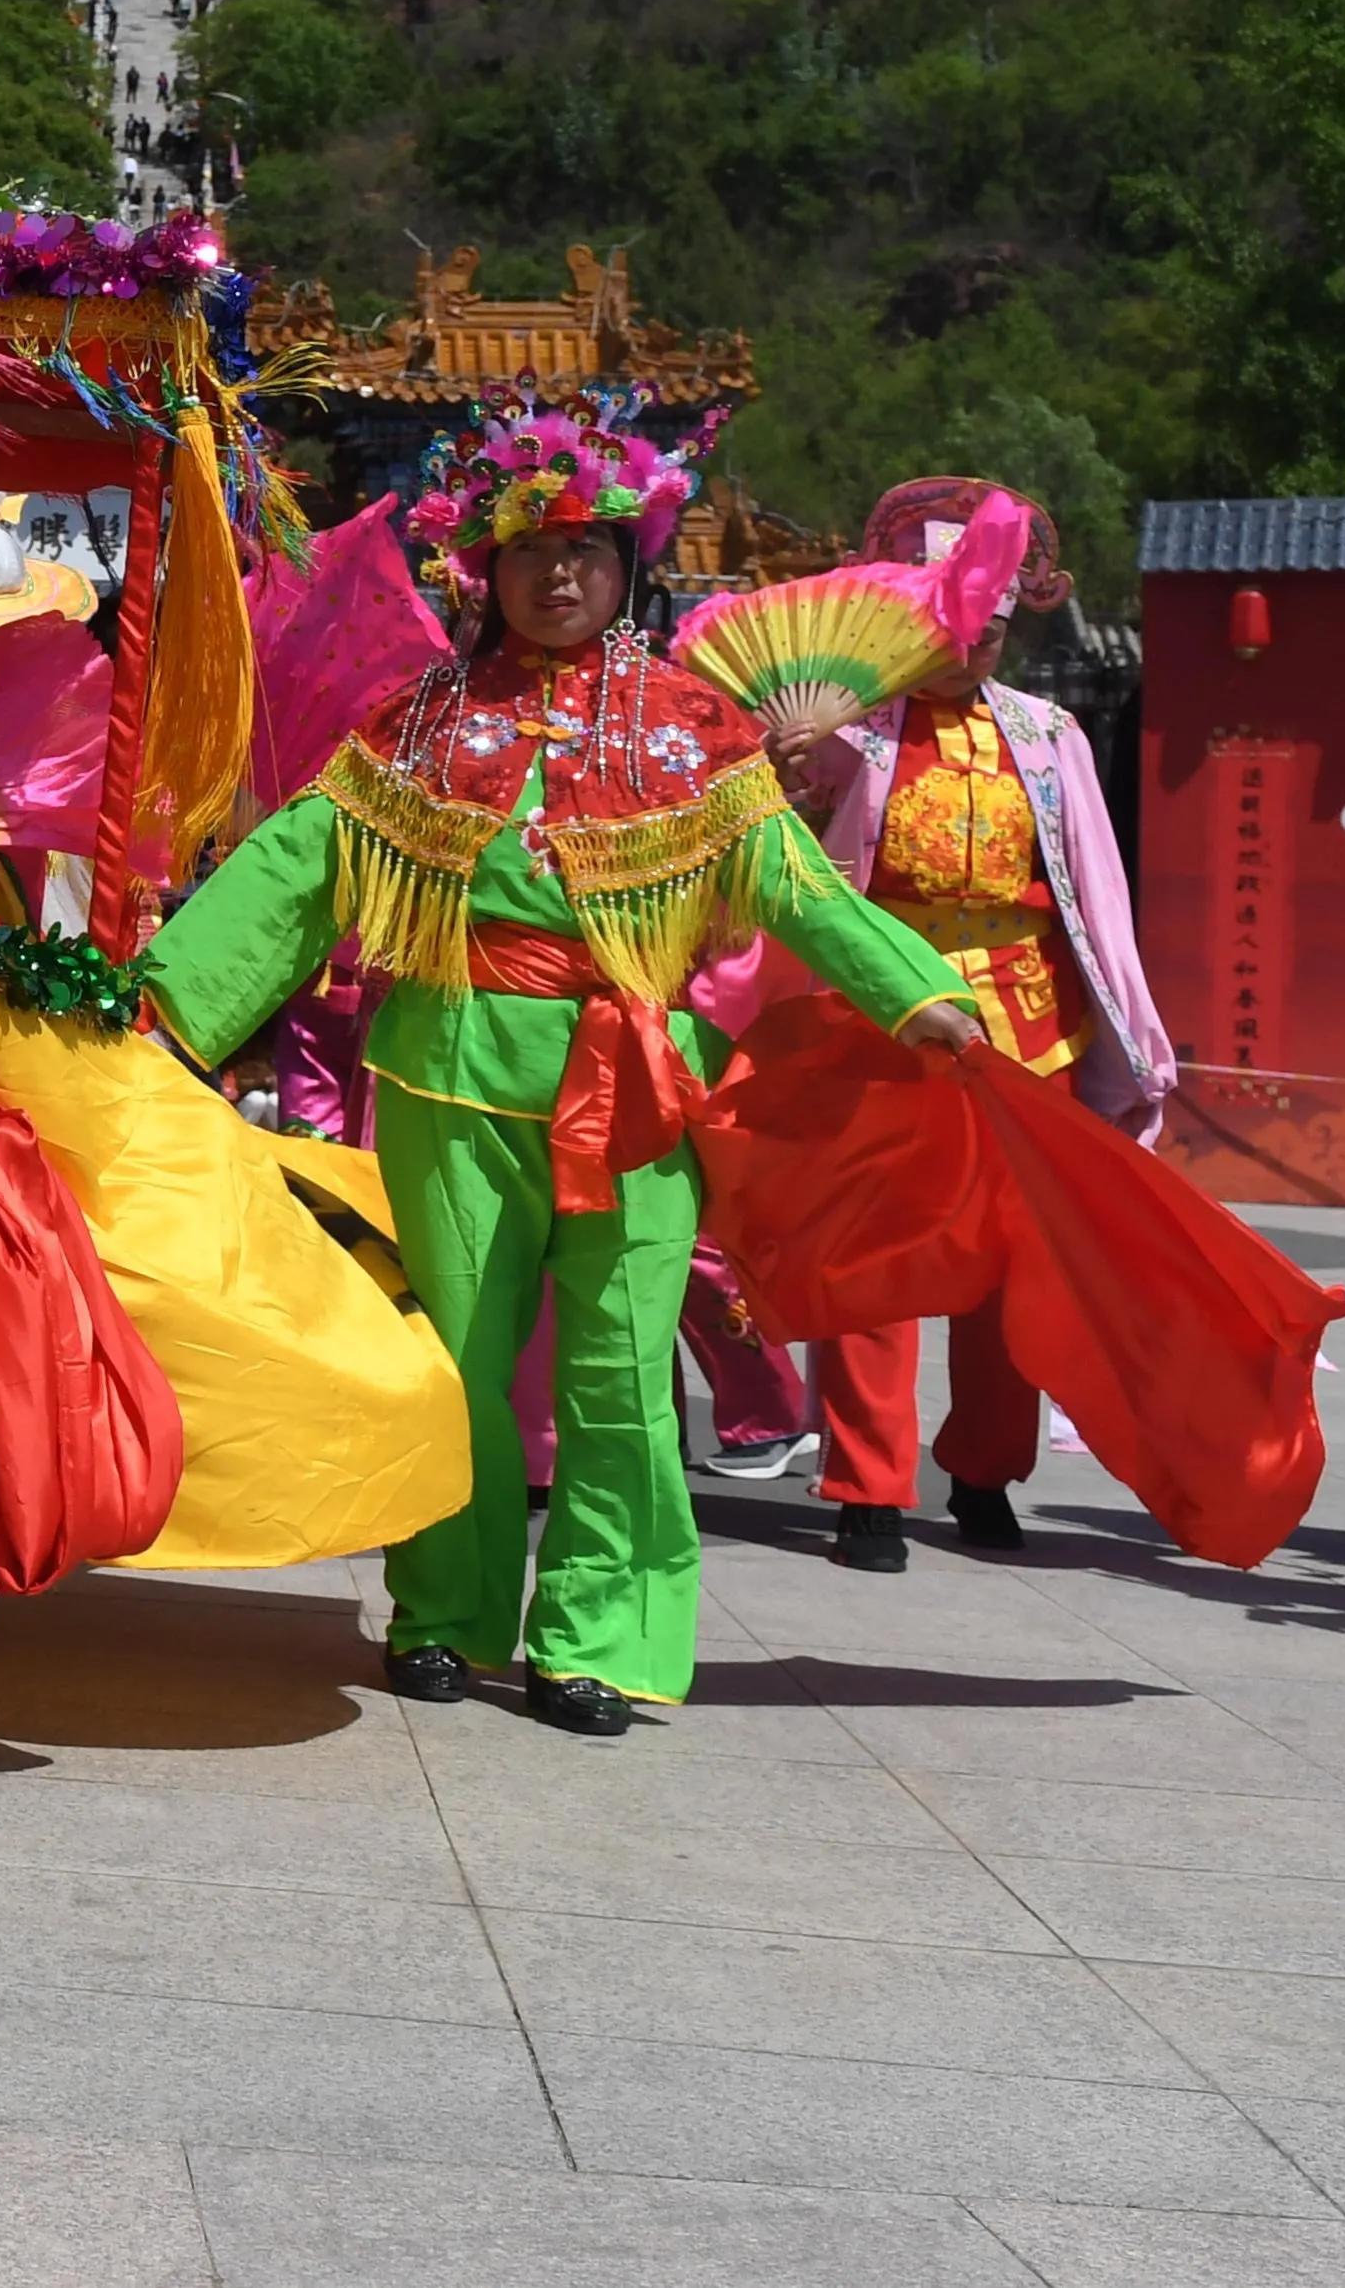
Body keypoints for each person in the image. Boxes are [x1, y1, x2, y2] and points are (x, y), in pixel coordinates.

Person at [138, 409, 985, 1735]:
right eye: (527, 548)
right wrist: (166, 1005)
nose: (556, 575)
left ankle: (591, 1633)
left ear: (626, 561)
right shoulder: (414, 721)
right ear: (484, 566)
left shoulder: (694, 728)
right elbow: (296, 868)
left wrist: (912, 987)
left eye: (583, 547)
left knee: (616, 1372)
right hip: (449, 1069)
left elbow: (791, 880)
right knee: (457, 1361)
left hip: (634, 1088)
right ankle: (440, 1612)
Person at [778, 484, 1172, 1572]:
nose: (971, 637)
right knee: (879, 1252)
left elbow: (1093, 885)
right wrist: (790, 773)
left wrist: (1120, 1027)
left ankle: (986, 1466)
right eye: (950, 616)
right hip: (881, 1015)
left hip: (1026, 1029)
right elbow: (788, 870)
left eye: (991, 620)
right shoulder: (841, 729)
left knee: (1009, 1262)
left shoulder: (1049, 735)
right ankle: (865, 1480)